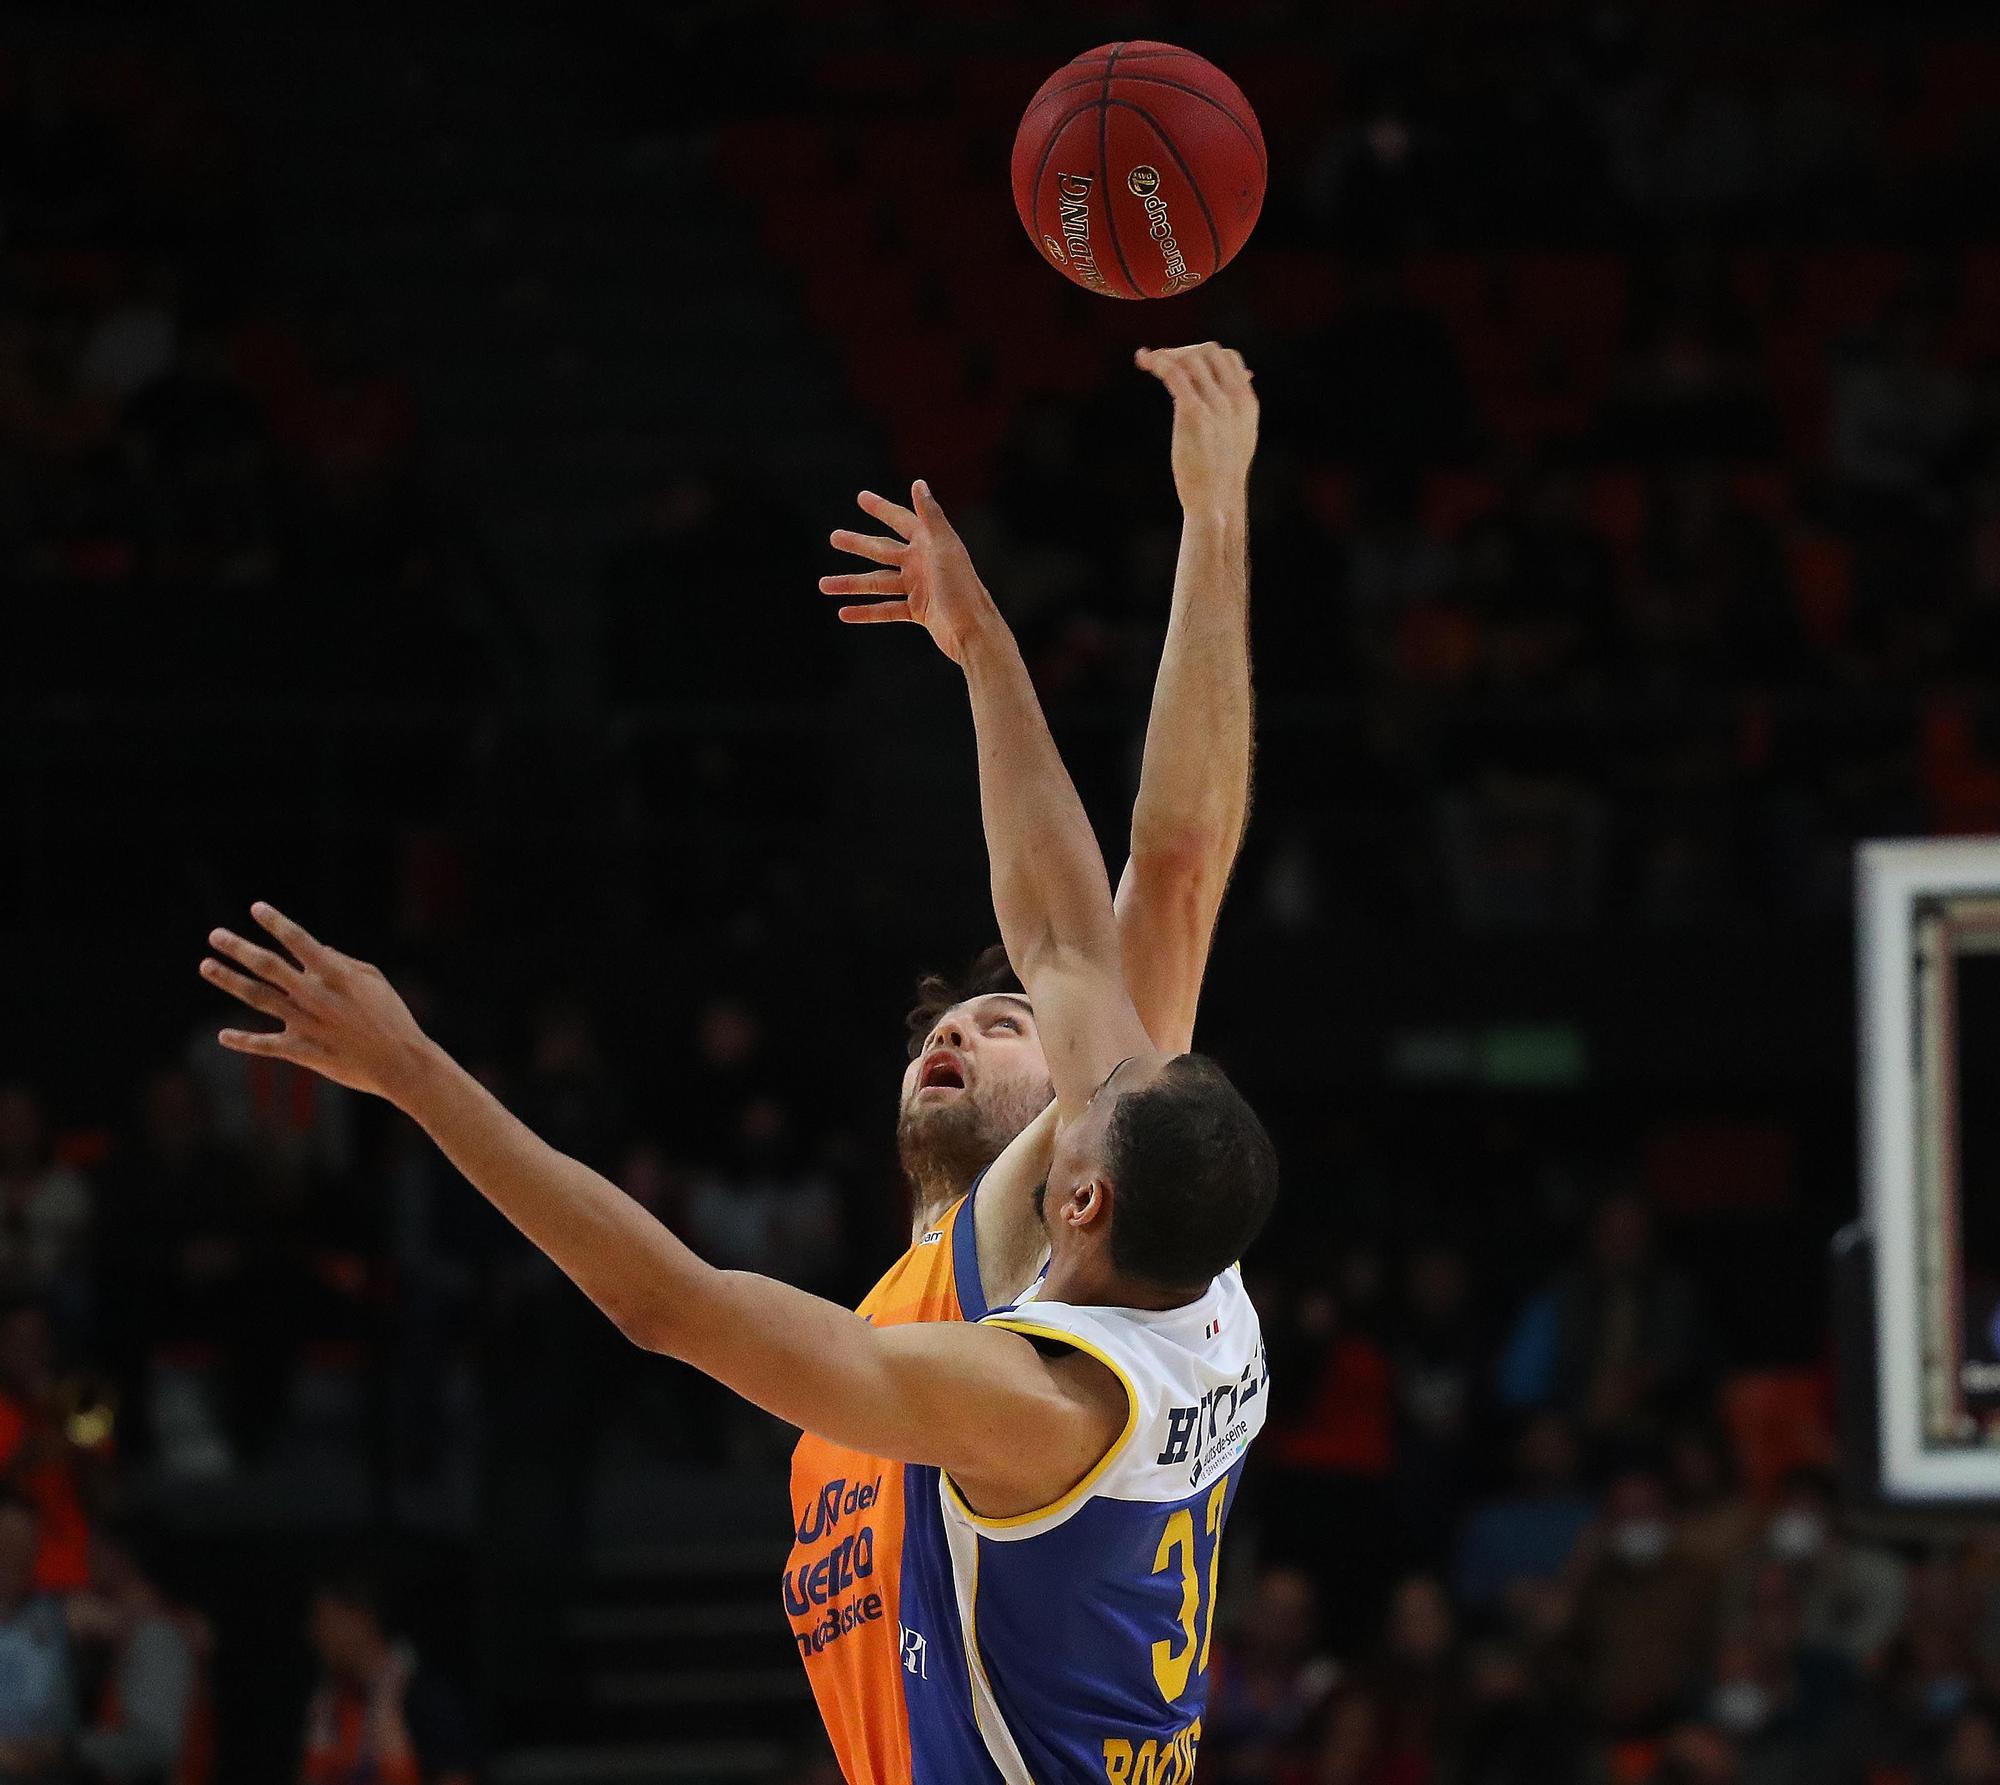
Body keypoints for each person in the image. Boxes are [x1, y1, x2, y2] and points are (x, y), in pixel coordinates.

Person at [196, 442, 1279, 1779]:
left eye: (1010, 1035)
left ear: (1075, 1179)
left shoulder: (1026, 1366)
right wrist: (1069, 591)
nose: (959, 1025)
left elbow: (676, 1305)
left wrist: (415, 1071)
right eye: (949, 1020)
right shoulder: (1166, 1266)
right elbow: (1108, 908)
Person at [296, 1573, 472, 1785]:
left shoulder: (424, 1696)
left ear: (358, 1618)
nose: (314, 1633)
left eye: (323, 1619)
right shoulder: (328, 1703)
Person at [0, 1491, 75, 1782]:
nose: (14, 1555)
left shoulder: (49, 1616)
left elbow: (60, 1736)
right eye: (5, 1542)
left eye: (25, 1544)